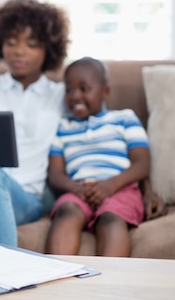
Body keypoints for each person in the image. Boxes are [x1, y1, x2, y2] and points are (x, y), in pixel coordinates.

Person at [0, 0, 70, 247]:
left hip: (27, 198)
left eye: (32, 44)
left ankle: (3, 271)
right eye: (11, 43)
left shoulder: (61, 96)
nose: (19, 51)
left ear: (49, 49)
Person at [45, 57, 150, 257]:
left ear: (105, 91)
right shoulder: (62, 127)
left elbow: (142, 163)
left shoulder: (124, 118)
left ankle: (110, 285)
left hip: (119, 188)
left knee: (111, 218)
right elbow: (55, 175)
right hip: (78, 189)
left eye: (84, 89)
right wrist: (76, 188)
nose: (75, 96)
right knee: (66, 211)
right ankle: (54, 277)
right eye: (69, 89)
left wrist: (110, 185)